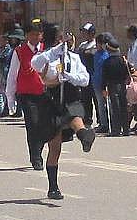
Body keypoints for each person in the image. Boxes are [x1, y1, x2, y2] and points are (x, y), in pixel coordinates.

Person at [29, 24, 95, 200]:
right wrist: (54, 53)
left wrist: (69, 77)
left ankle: (85, 137)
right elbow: (35, 65)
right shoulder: (46, 57)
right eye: (63, 38)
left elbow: (85, 79)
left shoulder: (74, 58)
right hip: (52, 99)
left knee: (74, 114)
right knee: (55, 146)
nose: (68, 40)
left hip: (71, 95)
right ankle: (53, 187)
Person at [4, 23, 47, 170]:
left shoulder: (46, 51)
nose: (36, 37)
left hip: (44, 94)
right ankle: (36, 157)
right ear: (27, 35)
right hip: (27, 95)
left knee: (43, 126)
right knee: (33, 124)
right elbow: (12, 75)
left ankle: (39, 150)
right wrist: (10, 98)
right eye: (33, 34)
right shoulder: (20, 51)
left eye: (38, 34)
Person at [100, 38, 130, 136]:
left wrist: (103, 88)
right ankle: (126, 129)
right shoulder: (123, 60)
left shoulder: (107, 62)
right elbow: (128, 72)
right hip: (122, 85)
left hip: (112, 86)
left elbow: (104, 77)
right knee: (123, 107)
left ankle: (116, 130)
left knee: (114, 108)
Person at [75, 23, 97, 127]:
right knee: (85, 99)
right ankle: (87, 120)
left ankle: (102, 121)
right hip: (84, 76)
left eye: (85, 32)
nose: (83, 34)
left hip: (94, 76)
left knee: (96, 100)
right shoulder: (82, 45)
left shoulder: (95, 45)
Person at [91, 32, 112, 133]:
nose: (97, 45)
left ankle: (108, 124)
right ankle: (103, 123)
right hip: (96, 82)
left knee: (106, 104)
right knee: (100, 104)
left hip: (104, 83)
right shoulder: (96, 54)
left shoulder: (106, 55)